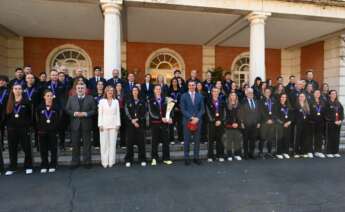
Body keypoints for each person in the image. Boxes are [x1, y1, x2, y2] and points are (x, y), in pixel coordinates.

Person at [65, 82, 96, 169]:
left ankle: (87, 162)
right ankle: (75, 162)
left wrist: (86, 114)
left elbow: (94, 110)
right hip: (75, 125)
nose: (80, 89)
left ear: (85, 89)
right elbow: (67, 109)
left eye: (82, 88)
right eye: (79, 88)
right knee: (75, 144)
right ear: (76, 89)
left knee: (87, 144)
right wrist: (74, 113)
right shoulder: (71, 98)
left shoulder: (90, 98)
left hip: (86, 124)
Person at [5, 84, 33, 175]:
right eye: (15, 89)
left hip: (24, 128)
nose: (17, 90)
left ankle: (28, 166)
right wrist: (8, 126)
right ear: (12, 90)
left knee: (26, 148)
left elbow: (30, 115)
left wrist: (27, 125)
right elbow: (6, 116)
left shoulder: (27, 101)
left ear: (22, 90)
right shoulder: (9, 101)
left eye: (19, 89)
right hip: (12, 129)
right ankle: (13, 166)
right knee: (12, 148)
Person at [36, 89, 61, 173]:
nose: (49, 97)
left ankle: (53, 164)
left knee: (53, 149)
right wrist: (40, 128)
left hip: (53, 131)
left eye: (51, 96)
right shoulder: (39, 107)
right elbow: (37, 120)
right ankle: (44, 164)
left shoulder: (57, 107)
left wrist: (55, 128)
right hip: (42, 132)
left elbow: (59, 119)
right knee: (43, 149)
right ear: (44, 97)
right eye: (47, 96)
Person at [180, 80, 205, 165]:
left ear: (195, 86)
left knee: (197, 140)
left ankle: (196, 157)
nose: (191, 86)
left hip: (198, 121)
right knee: (187, 140)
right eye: (190, 85)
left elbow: (202, 109)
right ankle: (186, 158)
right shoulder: (183, 96)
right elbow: (183, 109)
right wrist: (191, 117)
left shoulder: (200, 96)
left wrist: (197, 118)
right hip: (187, 121)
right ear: (188, 86)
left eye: (193, 85)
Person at [148, 85, 173, 166]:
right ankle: (154, 158)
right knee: (154, 142)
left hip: (165, 124)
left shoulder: (166, 100)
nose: (158, 90)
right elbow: (151, 113)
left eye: (159, 89)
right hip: (155, 124)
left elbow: (169, 110)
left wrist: (170, 118)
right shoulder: (150, 100)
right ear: (154, 91)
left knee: (166, 141)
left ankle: (166, 158)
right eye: (157, 89)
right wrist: (160, 118)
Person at [98, 86, 121, 168]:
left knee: (112, 144)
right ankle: (104, 161)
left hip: (114, 125)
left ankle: (111, 161)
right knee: (104, 144)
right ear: (106, 92)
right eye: (108, 91)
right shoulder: (101, 101)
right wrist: (100, 124)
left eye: (111, 91)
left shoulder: (116, 101)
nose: (110, 92)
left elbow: (118, 113)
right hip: (103, 125)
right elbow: (100, 114)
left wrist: (118, 124)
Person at [124, 86, 147, 167]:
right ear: (132, 92)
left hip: (140, 124)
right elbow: (126, 112)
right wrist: (132, 121)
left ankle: (142, 159)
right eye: (133, 90)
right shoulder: (128, 101)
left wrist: (137, 120)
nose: (135, 91)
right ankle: (128, 159)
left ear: (138, 92)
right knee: (129, 142)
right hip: (130, 125)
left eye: (136, 90)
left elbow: (145, 113)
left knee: (141, 142)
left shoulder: (142, 101)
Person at [239, 88, 261, 160]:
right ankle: (245, 154)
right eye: (249, 93)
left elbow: (258, 113)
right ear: (246, 94)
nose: (250, 94)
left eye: (251, 93)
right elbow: (240, 113)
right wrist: (241, 122)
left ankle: (251, 153)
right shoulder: (243, 102)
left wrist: (258, 122)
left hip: (254, 124)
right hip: (246, 124)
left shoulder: (256, 101)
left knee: (253, 140)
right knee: (245, 140)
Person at [205, 87, 225, 162]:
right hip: (211, 123)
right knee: (211, 140)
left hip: (220, 123)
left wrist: (220, 120)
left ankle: (220, 155)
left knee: (220, 140)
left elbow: (224, 112)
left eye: (217, 91)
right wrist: (213, 120)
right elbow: (207, 112)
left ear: (218, 92)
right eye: (214, 91)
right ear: (212, 92)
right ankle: (210, 156)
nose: (215, 93)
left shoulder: (222, 101)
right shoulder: (208, 101)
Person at [222, 92, 243, 161]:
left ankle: (237, 154)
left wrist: (237, 123)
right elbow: (225, 116)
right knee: (229, 141)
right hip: (229, 126)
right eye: (232, 95)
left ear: (236, 97)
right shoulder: (226, 105)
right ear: (229, 97)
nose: (233, 96)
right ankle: (229, 155)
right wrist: (232, 123)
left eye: (234, 95)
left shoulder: (239, 105)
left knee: (237, 140)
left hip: (237, 126)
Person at [324, 90, 344, 158]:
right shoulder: (327, 103)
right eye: (332, 93)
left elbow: (342, 113)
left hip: (338, 123)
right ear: (329, 95)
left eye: (335, 93)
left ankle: (335, 151)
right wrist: (333, 121)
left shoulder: (338, 103)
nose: (334, 95)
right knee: (330, 138)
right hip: (330, 123)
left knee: (336, 138)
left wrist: (340, 120)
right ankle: (329, 152)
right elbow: (325, 114)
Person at [259, 88, 277, 159]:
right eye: (266, 92)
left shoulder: (273, 101)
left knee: (270, 138)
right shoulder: (261, 101)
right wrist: (267, 119)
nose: (267, 93)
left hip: (272, 122)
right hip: (264, 122)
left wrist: (272, 119)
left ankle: (269, 152)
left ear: (270, 93)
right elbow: (261, 111)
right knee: (262, 138)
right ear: (264, 93)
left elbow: (275, 111)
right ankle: (261, 152)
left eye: (268, 92)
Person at [294, 93, 313, 158]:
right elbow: (294, 115)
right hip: (298, 124)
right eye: (300, 96)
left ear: (305, 97)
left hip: (306, 124)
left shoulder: (307, 105)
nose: (302, 97)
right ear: (299, 97)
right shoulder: (296, 105)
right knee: (297, 138)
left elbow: (308, 115)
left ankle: (303, 152)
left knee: (304, 138)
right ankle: (296, 152)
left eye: (303, 96)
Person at [275, 93, 293, 159]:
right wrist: (283, 124)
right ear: (280, 98)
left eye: (285, 97)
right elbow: (275, 116)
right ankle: (279, 153)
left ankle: (286, 152)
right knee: (280, 139)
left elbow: (292, 116)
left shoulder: (288, 106)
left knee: (287, 139)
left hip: (288, 125)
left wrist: (289, 122)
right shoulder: (277, 105)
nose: (283, 98)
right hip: (280, 125)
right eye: (282, 97)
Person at [311, 90, 326, 158]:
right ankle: (310, 151)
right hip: (312, 122)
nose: (317, 94)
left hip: (320, 122)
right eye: (316, 93)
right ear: (313, 94)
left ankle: (318, 151)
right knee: (310, 137)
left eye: (319, 93)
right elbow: (309, 112)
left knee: (319, 137)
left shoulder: (322, 102)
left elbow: (324, 112)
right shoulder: (310, 101)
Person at [169, 78, 183, 144]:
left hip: (179, 110)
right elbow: (168, 100)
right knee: (171, 125)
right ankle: (171, 139)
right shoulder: (169, 90)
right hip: (172, 110)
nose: (174, 83)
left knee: (180, 125)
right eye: (173, 82)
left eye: (175, 81)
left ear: (177, 82)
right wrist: (173, 107)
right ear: (171, 83)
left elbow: (182, 100)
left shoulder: (180, 90)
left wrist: (178, 107)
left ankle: (181, 139)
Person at [92, 80, 105, 148]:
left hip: (104, 115)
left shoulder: (105, 94)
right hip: (95, 115)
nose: (100, 86)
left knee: (103, 130)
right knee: (95, 130)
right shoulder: (93, 94)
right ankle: (96, 144)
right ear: (97, 86)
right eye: (99, 84)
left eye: (101, 84)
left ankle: (102, 143)